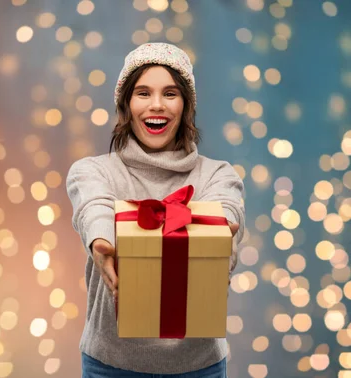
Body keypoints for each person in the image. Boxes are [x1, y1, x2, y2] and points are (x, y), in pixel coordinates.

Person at [66, 42, 245, 377]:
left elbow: (227, 212)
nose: (157, 105)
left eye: (171, 93)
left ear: (187, 105)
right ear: (126, 104)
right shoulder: (93, 171)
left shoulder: (217, 174)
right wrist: (103, 243)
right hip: (111, 364)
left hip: (199, 365)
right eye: (143, 93)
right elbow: (95, 206)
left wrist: (222, 234)